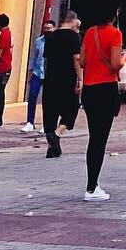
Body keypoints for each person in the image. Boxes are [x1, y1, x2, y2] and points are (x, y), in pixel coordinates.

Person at [79, 6, 124, 202]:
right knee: (100, 139)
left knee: (93, 138)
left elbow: (82, 62)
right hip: (106, 89)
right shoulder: (115, 34)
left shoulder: (90, 32)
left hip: (89, 90)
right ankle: (91, 188)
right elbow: (115, 65)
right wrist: (123, 59)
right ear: (115, 13)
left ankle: (92, 185)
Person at [41, 9, 83, 160]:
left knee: (50, 114)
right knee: (70, 112)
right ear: (73, 21)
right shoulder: (74, 37)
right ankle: (57, 134)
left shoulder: (50, 37)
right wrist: (80, 79)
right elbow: (76, 59)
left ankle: (53, 148)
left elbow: (45, 60)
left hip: (51, 80)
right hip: (68, 80)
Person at [23, 17, 53, 134]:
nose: (47, 30)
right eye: (45, 28)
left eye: (49, 28)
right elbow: (34, 57)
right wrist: (30, 71)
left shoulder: (55, 42)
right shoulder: (38, 41)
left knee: (48, 100)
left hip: (49, 74)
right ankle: (30, 122)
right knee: (32, 96)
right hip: (37, 72)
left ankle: (47, 124)